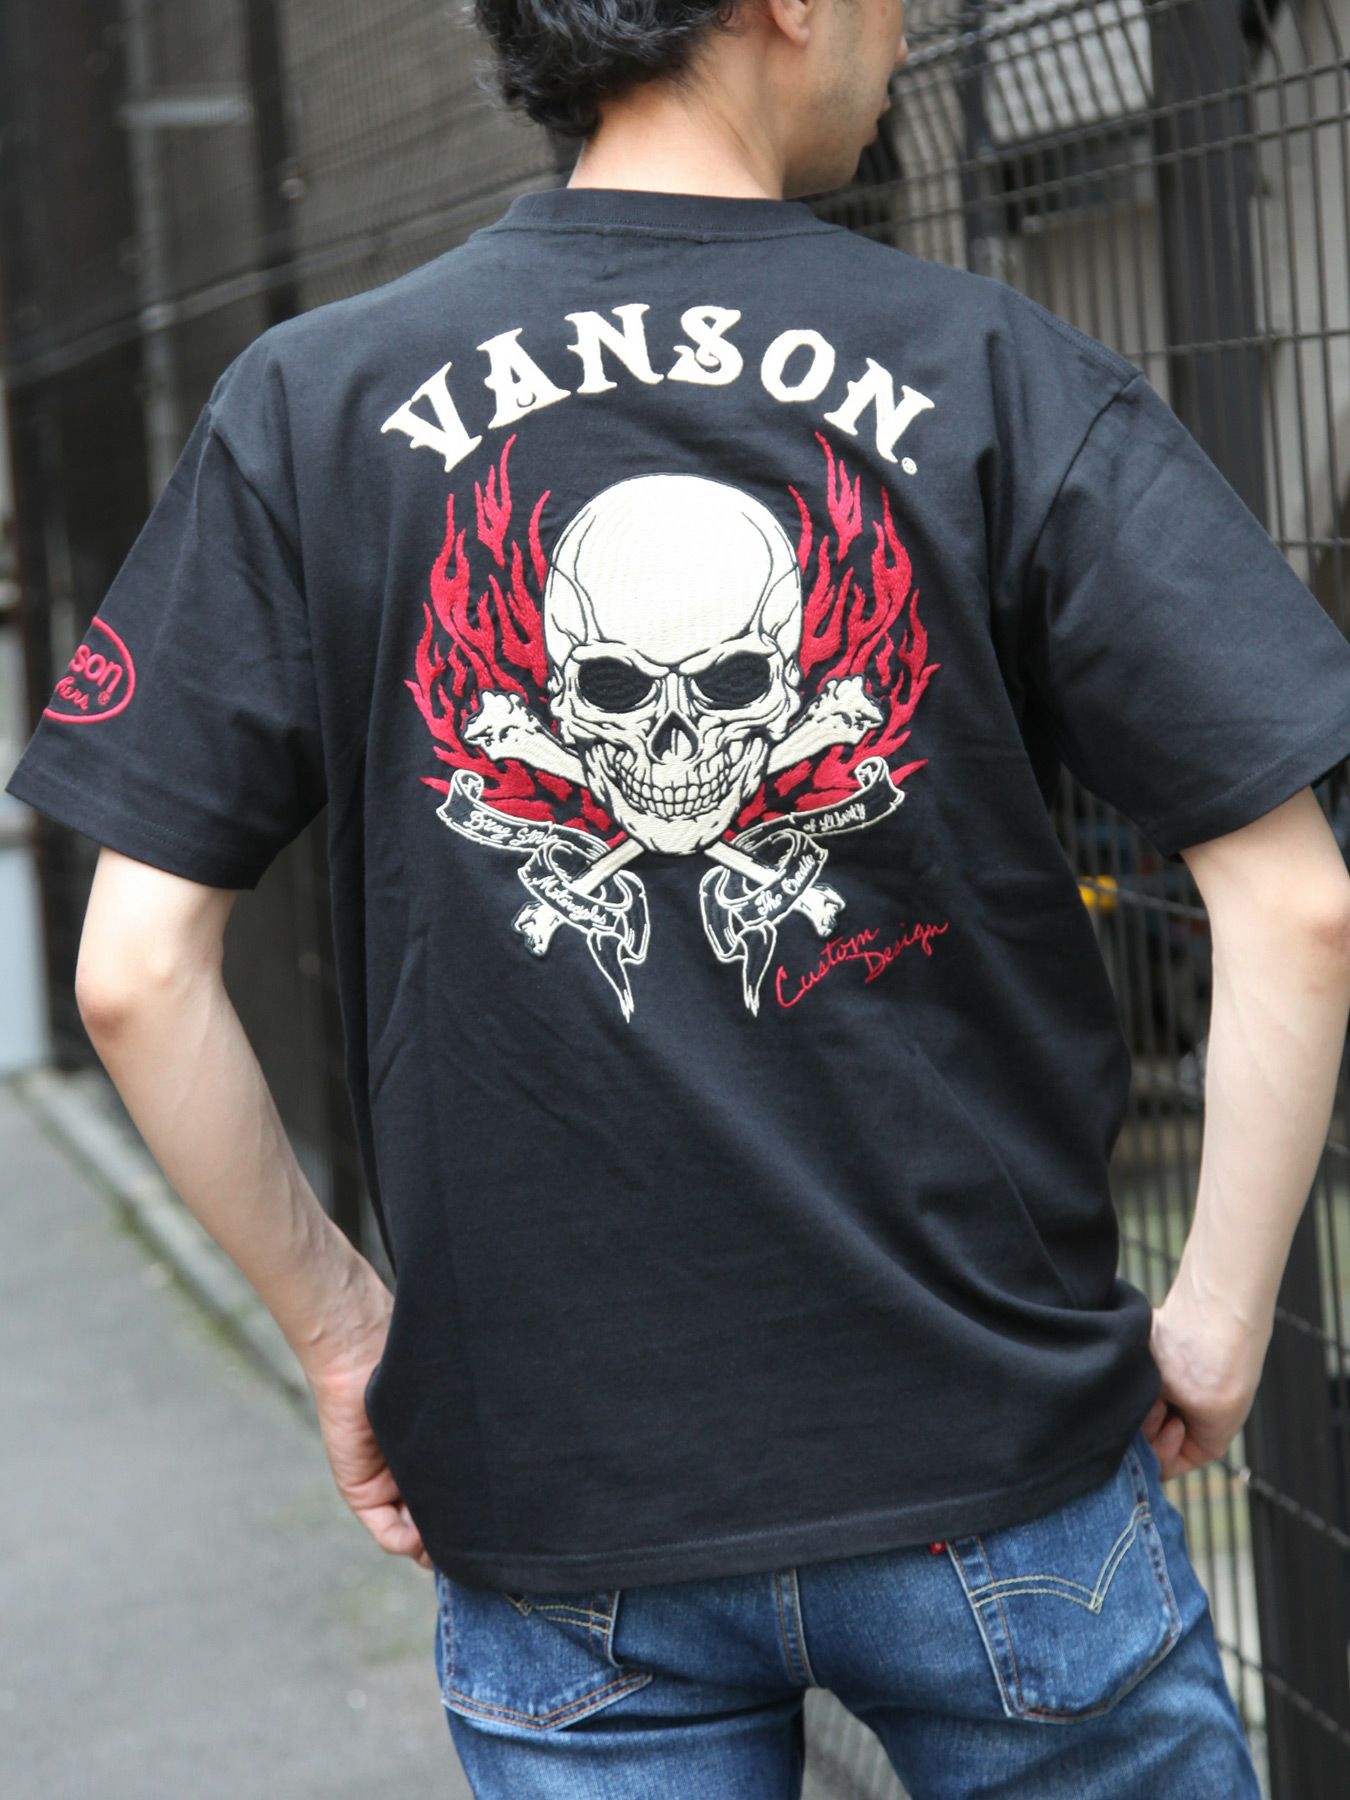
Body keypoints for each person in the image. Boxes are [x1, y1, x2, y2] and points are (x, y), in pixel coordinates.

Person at [7, 0, 1350, 1791]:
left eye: (727, 689)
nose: (904, 29)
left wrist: (347, 1337)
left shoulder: (309, 405)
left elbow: (133, 973)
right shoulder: (997, 370)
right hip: (991, 1455)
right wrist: (1219, 1318)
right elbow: (1295, 901)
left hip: (558, 1499)